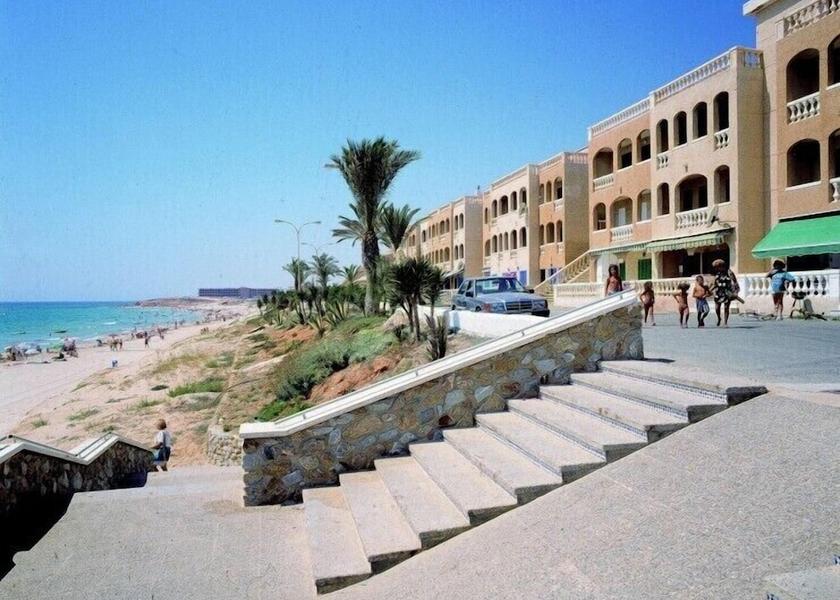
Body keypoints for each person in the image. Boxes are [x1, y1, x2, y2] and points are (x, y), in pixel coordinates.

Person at [709, 259, 742, 327]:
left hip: (727, 292)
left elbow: (735, 282)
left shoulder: (729, 272)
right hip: (718, 292)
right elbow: (715, 283)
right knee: (717, 308)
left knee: (726, 307)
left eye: (717, 267)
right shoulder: (717, 273)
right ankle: (719, 318)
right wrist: (710, 290)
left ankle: (725, 322)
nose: (716, 269)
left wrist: (736, 291)